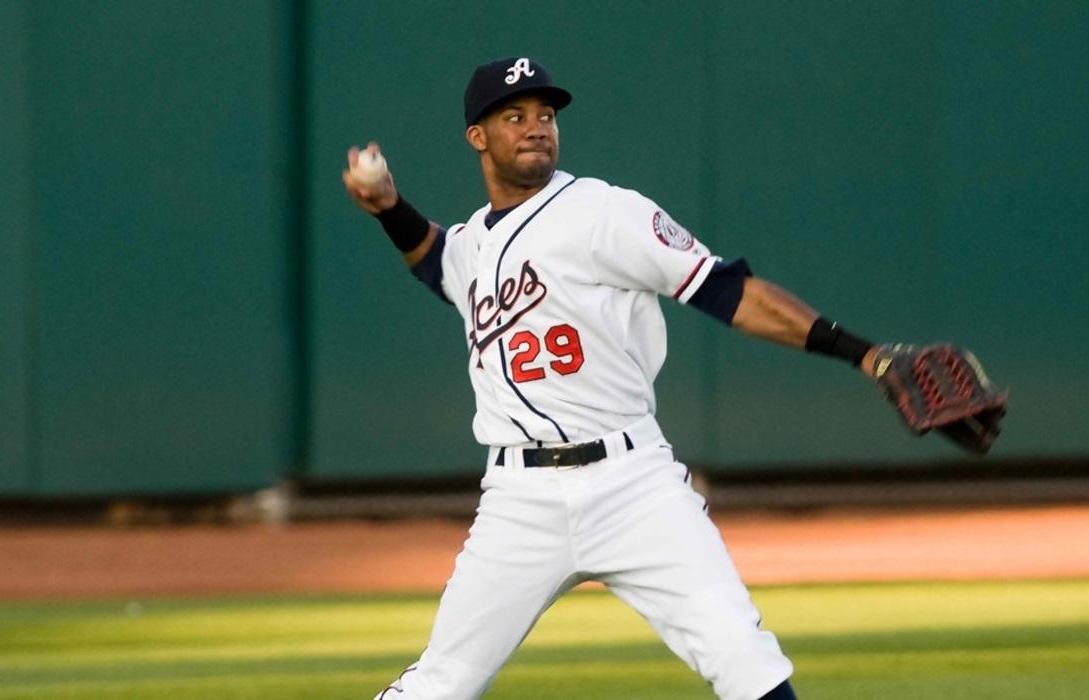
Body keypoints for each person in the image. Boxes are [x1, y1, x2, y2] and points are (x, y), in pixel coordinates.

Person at [344, 57, 879, 700]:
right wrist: (386, 207)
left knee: (742, 654)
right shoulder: (476, 241)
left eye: (546, 115)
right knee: (442, 681)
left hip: (633, 485)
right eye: (514, 116)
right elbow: (440, 261)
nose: (537, 127)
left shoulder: (605, 211)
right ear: (477, 138)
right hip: (519, 500)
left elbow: (726, 291)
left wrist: (865, 355)